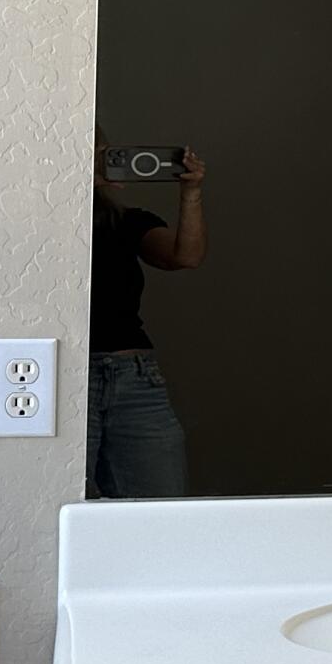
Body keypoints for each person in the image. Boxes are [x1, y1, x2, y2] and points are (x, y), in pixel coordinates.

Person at [90, 137, 206, 497]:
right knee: (59, 503)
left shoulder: (124, 221)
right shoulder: (43, 222)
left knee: (160, 507)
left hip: (136, 378)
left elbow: (184, 255)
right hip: (67, 376)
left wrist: (191, 193)